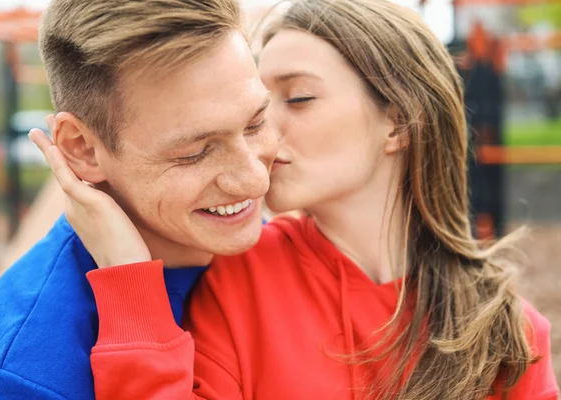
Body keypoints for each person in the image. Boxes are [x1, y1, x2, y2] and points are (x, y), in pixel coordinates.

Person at [31, 0, 560, 399]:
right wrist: (130, 280)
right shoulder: (237, 277)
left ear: (398, 121)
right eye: (260, 107)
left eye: (298, 98)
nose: (259, 136)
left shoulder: (505, 330)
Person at [0, 0, 277, 398]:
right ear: (82, 149)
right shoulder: (16, 376)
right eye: (194, 152)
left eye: (256, 123)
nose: (255, 179)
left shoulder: (287, 250)